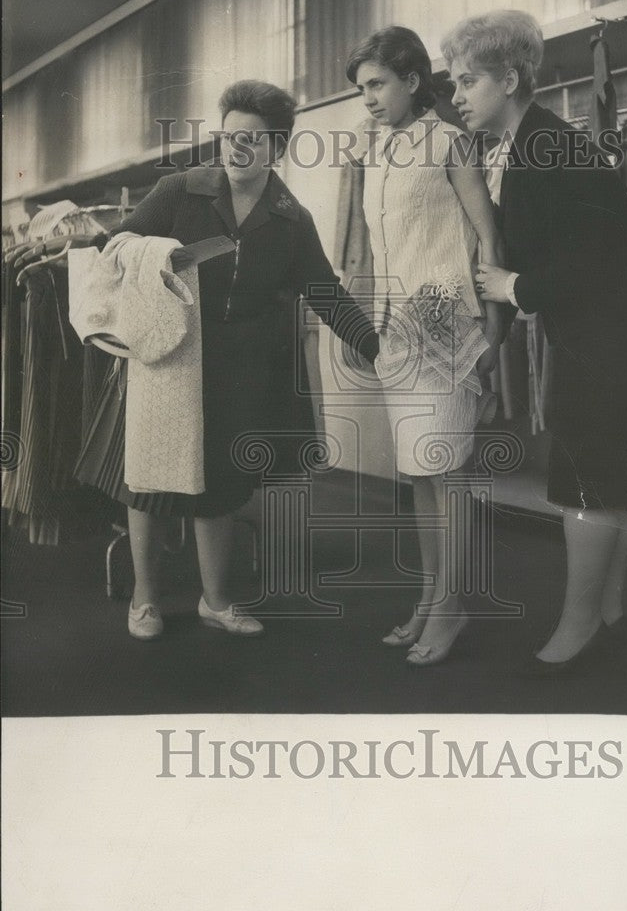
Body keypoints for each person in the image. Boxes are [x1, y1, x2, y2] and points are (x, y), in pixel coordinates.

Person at [32, 79, 379, 640]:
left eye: (255, 140)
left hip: (238, 371)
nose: (239, 149)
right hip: (167, 359)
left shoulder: (292, 219)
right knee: (147, 483)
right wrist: (129, 256)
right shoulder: (180, 190)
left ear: (278, 148)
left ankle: (215, 601)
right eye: (230, 137)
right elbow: (117, 248)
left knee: (219, 482)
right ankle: (144, 600)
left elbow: (324, 290)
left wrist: (375, 346)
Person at [442, 10, 627, 674]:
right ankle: (607, 612)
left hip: (607, 337)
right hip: (621, 333)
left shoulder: (545, 147)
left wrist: (511, 284)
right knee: (615, 483)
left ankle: (578, 626)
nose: (456, 95)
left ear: (509, 78)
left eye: (467, 81)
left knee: (584, 485)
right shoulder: (536, 144)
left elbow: (595, 261)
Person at [345, 26, 505, 666]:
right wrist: (370, 325)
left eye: (377, 84)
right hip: (394, 331)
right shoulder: (374, 150)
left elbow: (487, 241)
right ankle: (431, 593)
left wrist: (493, 332)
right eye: (361, 90)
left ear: (413, 81)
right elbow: (376, 252)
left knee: (450, 472)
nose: (369, 100)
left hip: (444, 325)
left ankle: (453, 605)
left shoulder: (450, 142)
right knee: (417, 472)